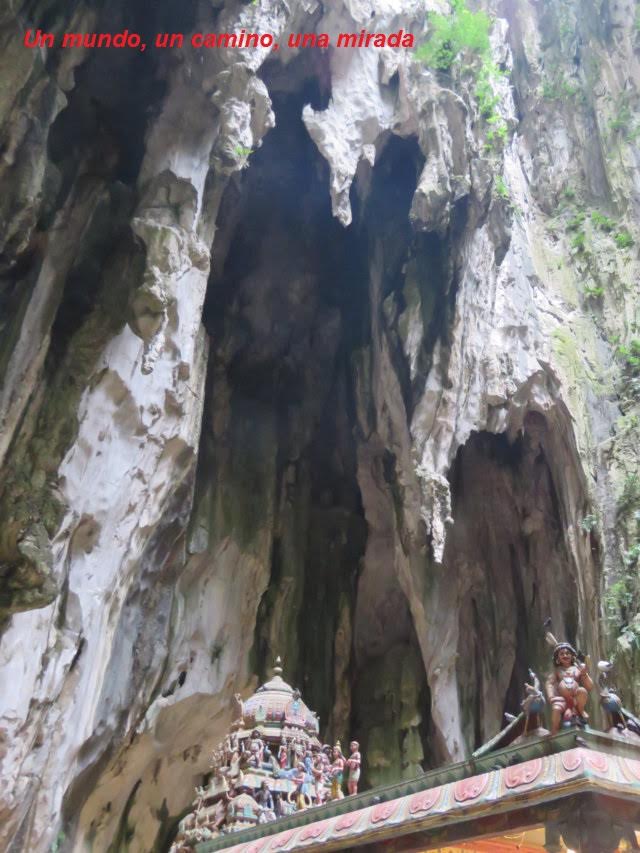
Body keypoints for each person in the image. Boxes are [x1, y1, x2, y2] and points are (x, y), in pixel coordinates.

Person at [545, 641, 593, 734]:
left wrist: (584, 674)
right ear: (557, 658)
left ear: (572, 656)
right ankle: (554, 729)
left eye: (567, 653)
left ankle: (580, 710)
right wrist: (551, 696)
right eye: (562, 654)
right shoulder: (557, 671)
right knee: (556, 709)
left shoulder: (577, 669)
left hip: (576, 700)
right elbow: (549, 683)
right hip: (562, 700)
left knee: (582, 690)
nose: (565, 655)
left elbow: (590, 686)